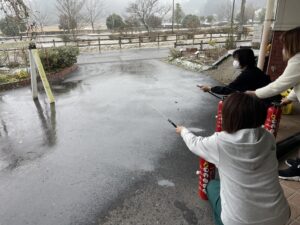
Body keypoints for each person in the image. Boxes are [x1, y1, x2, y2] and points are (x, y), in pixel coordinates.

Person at [176, 93, 290, 225]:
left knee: (211, 186)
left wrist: (183, 130)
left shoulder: (221, 142)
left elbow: (194, 143)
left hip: (239, 222)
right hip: (280, 215)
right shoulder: (269, 137)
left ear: (230, 118)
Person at [247, 26, 300, 181]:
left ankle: (298, 172)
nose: (283, 49)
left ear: (293, 45)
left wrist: (256, 93)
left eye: (284, 46)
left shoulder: (297, 60)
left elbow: (280, 84)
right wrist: (290, 98)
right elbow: (297, 83)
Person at [199, 48, 271, 95]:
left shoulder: (247, 74)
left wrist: (209, 88)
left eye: (236, 59)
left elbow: (228, 89)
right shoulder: (254, 70)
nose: (234, 61)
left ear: (243, 60)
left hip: (263, 106)